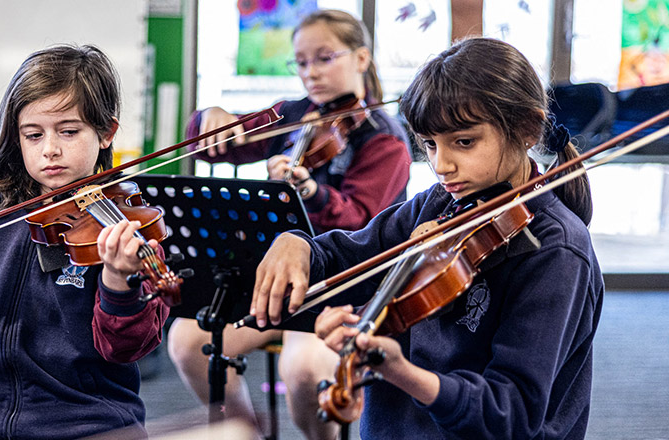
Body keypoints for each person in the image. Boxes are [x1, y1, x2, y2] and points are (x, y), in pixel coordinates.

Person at [250, 37, 604, 439]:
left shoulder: (555, 250)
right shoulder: (441, 204)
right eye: (430, 144)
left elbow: (511, 413)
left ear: (526, 129)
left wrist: (401, 373)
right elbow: (351, 255)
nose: (441, 164)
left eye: (463, 142)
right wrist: (297, 244)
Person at [0, 45, 169, 440]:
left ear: (106, 132)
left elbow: (124, 348)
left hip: (86, 423)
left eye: (69, 132)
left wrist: (117, 281)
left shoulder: (127, 233)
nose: (50, 149)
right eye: (33, 135)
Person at [168, 9, 412, 440]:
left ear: (360, 58)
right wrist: (208, 118)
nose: (310, 73)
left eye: (324, 58)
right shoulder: (294, 115)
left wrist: (311, 193)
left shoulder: (384, 138)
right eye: (300, 62)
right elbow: (215, 147)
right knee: (188, 341)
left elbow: (361, 222)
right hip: (272, 279)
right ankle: (245, 430)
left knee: (301, 370)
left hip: (335, 285)